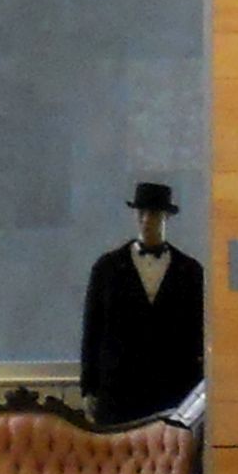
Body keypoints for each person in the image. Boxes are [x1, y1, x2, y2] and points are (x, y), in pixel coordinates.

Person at [77, 177, 205, 427]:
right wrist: (88, 387)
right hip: (118, 390)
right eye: (142, 213)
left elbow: (198, 332)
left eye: (154, 214)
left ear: (166, 218)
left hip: (173, 388)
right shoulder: (108, 268)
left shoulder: (189, 271)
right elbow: (92, 330)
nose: (147, 220)